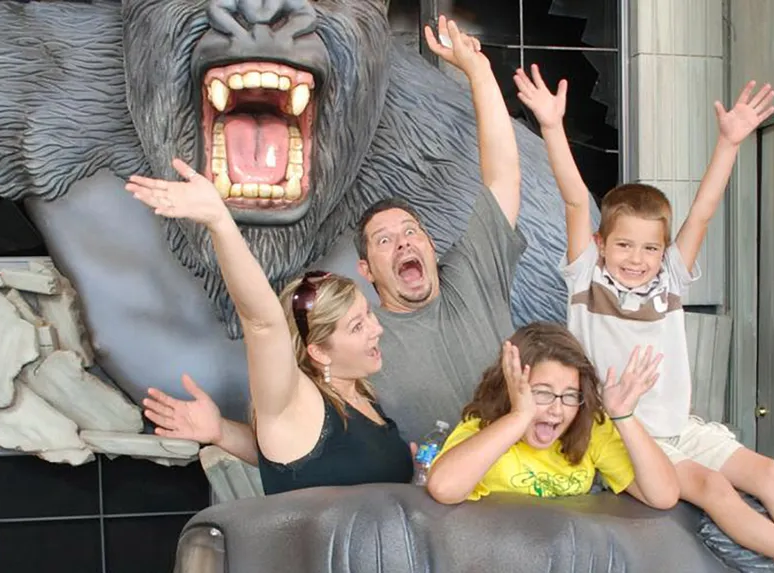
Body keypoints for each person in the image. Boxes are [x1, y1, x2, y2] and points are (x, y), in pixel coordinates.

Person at [515, 63, 774, 572]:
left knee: (769, 473)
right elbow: (572, 197)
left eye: (650, 248)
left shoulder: (670, 280)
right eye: (624, 246)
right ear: (600, 244)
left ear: (663, 251)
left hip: (680, 428)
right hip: (624, 437)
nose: (637, 259)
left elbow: (701, 211)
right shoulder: (586, 278)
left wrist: (729, 143)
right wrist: (550, 126)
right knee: (715, 489)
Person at [140, 15, 528, 465]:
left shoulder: (474, 275)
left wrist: (478, 72)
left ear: (429, 245)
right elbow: (307, 450)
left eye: (410, 232)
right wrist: (222, 433)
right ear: (365, 270)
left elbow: (502, 177)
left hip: (523, 496)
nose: (403, 243)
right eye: (384, 241)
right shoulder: (358, 350)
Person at [125, 161, 412, 494]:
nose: (376, 329)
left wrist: (221, 431)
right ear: (318, 351)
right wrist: (220, 223)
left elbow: (306, 459)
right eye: (357, 326)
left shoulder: (358, 395)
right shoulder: (298, 398)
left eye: (369, 315)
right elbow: (263, 323)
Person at [426, 322, 679, 508]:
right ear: (513, 388)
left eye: (570, 395)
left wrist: (623, 417)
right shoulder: (485, 428)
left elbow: (664, 496)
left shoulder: (588, 430)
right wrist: (519, 416)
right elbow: (443, 487)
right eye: (543, 393)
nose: (557, 410)